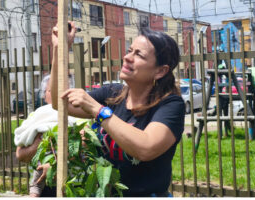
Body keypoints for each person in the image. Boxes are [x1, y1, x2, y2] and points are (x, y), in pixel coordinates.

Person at [52, 23, 184, 198]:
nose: (127, 57)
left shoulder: (170, 105)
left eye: (139, 55)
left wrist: (97, 110)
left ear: (160, 71)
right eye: (130, 50)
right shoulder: (113, 94)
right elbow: (58, 103)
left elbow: (146, 148)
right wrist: (58, 50)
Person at [14, 73, 81, 197]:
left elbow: (85, 151)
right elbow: (20, 154)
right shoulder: (37, 116)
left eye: (62, 90)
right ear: (45, 95)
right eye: (51, 90)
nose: (58, 94)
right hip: (44, 187)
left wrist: (54, 165)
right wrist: (36, 146)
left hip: (74, 188)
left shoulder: (82, 118)